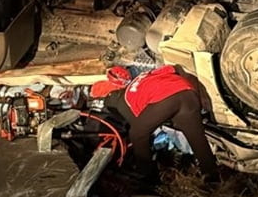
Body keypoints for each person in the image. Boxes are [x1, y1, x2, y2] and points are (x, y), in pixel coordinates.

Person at [89, 64, 220, 183]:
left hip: (167, 98)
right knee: (197, 140)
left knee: (137, 134)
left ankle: (146, 175)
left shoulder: (124, 99)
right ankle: (213, 179)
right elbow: (173, 68)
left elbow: (140, 130)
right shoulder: (143, 78)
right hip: (187, 93)